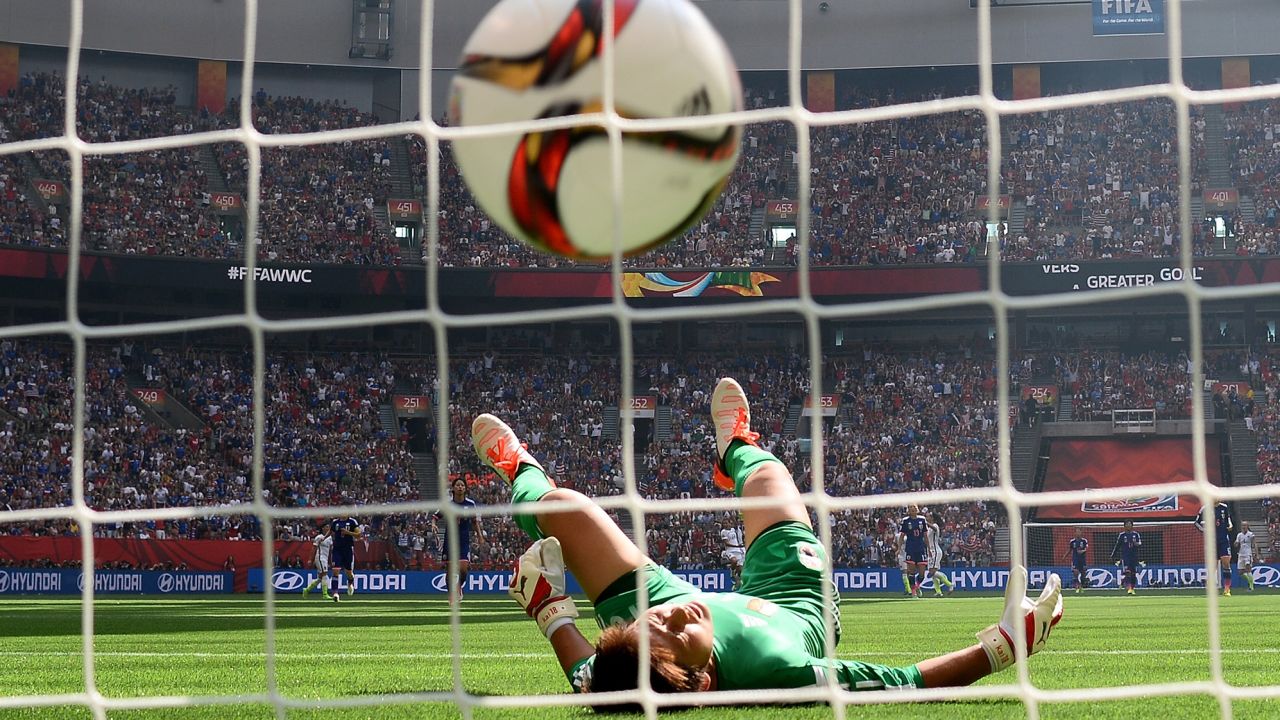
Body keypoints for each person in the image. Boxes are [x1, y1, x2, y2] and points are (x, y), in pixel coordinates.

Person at [472, 377, 1063, 704]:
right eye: (681, 633)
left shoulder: (636, 644)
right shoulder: (780, 669)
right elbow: (904, 681)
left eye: (660, 623)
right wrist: (1002, 648)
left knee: (566, 511)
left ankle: (520, 468)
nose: (676, 617)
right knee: (772, 477)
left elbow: (589, 678)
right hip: (791, 607)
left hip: (641, 610)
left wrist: (551, 613)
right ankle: (738, 449)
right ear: (702, 681)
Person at [432, 477, 485, 602]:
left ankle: (459, 587)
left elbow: (474, 521)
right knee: (450, 570)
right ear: (453, 489)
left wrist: (480, 536)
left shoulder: (470, 504)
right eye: (458, 485)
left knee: (463, 569)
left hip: (464, 540)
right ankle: (451, 595)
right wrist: (433, 524)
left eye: (462, 485)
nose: (460, 487)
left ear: (465, 488)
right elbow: (436, 516)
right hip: (449, 541)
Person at [1195, 501, 1234, 597]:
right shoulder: (1205, 508)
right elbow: (1196, 522)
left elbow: (1228, 519)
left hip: (1224, 540)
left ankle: (1227, 589)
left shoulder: (1224, 507)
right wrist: (1205, 530)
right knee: (1213, 566)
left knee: (1226, 563)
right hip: (1212, 541)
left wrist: (1230, 525)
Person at [329, 515, 362, 602]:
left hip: (348, 549)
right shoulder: (335, 522)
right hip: (337, 549)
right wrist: (324, 538)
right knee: (335, 570)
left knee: (349, 572)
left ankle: (350, 583)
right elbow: (330, 531)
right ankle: (335, 593)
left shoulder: (352, 522)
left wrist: (348, 533)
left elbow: (358, 535)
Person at [899, 504, 929, 598]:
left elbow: (925, 536)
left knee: (922, 574)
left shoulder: (922, 520)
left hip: (920, 548)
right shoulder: (906, 521)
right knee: (911, 572)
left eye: (914, 508)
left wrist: (928, 548)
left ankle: (916, 586)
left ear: (917, 509)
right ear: (908, 510)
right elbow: (902, 536)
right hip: (910, 548)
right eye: (910, 508)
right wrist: (899, 548)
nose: (913, 509)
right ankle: (913, 592)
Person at [925, 511, 955, 596]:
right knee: (933, 573)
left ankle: (950, 584)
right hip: (930, 551)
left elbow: (934, 529)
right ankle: (938, 592)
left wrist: (925, 522)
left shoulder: (935, 526)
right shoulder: (928, 528)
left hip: (935, 551)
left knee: (932, 572)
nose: (927, 517)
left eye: (929, 516)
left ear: (932, 518)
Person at [1111, 521, 1142, 596]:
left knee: (1133, 574)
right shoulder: (1122, 535)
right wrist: (1113, 554)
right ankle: (1129, 589)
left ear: (1132, 526)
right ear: (1124, 526)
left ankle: (1132, 588)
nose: (1128, 526)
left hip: (1134, 556)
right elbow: (1117, 545)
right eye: (1127, 525)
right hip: (1125, 557)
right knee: (1127, 572)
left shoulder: (1136, 534)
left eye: (1130, 524)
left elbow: (1140, 543)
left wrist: (1136, 544)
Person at [302, 525, 333, 600]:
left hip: (325, 558)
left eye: (329, 527)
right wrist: (310, 560)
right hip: (320, 557)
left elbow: (330, 551)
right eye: (326, 527)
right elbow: (314, 548)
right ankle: (325, 594)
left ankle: (307, 590)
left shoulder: (330, 538)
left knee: (320, 578)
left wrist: (330, 561)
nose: (328, 528)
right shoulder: (319, 537)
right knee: (325, 574)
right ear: (323, 528)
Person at [718, 517, 745, 585]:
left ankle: (737, 581)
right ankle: (731, 571)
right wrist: (737, 546)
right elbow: (726, 543)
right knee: (734, 561)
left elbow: (736, 523)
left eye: (726, 523)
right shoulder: (723, 532)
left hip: (738, 551)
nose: (725, 524)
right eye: (724, 523)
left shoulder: (733, 529)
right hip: (730, 550)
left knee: (740, 570)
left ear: (730, 523)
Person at [1063, 527, 1089, 594]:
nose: (1077, 533)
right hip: (1075, 560)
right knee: (1075, 572)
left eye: (1079, 531)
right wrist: (1065, 556)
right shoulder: (1072, 542)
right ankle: (1077, 587)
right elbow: (1069, 549)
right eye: (1076, 532)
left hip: (1083, 560)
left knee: (1083, 574)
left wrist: (1082, 551)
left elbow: (1086, 548)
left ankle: (1083, 587)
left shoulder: (1084, 541)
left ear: (1081, 532)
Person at [1235, 520, 1256, 592]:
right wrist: (1236, 544)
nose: (1243, 527)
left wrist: (1256, 553)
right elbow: (1237, 543)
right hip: (1241, 554)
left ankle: (1251, 587)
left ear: (1247, 526)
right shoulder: (1239, 535)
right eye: (1242, 525)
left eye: (1245, 525)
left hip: (1248, 554)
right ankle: (1251, 581)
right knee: (1240, 572)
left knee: (1248, 569)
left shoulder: (1251, 534)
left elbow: (1254, 544)